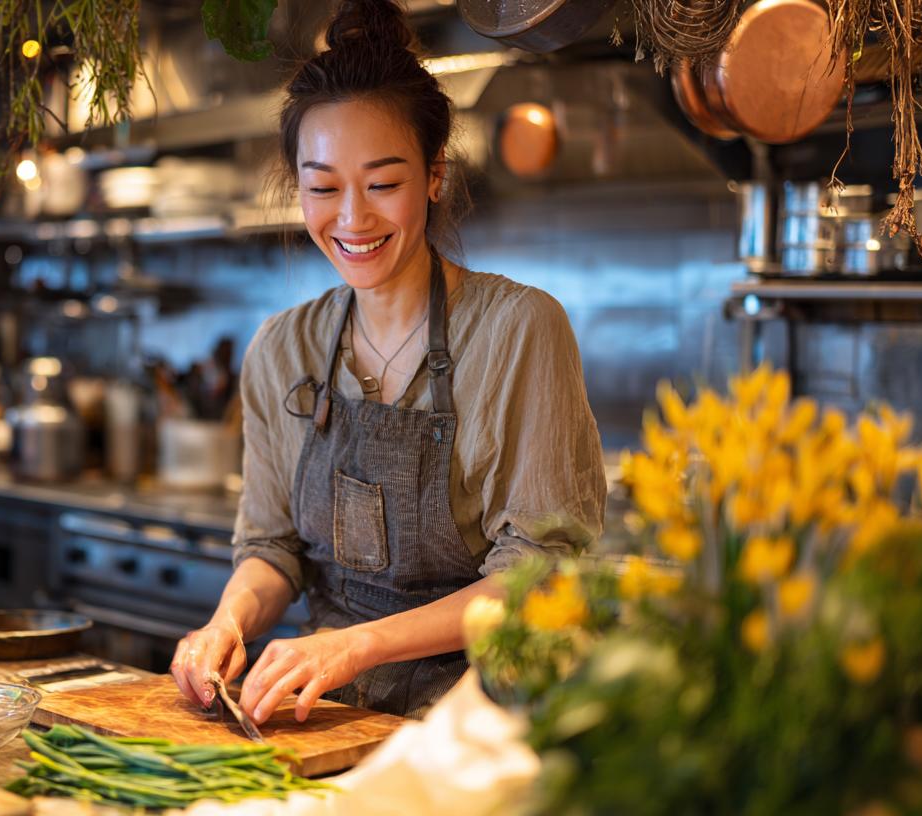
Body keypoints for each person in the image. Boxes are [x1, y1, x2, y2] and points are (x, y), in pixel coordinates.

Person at [171, 0, 606, 722]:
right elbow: (272, 548)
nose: (352, 219)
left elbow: (541, 577)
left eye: (382, 184)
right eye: (323, 188)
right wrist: (229, 620)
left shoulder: (519, 330)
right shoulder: (283, 348)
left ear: (434, 175)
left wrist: (354, 646)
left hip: (478, 724)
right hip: (326, 720)